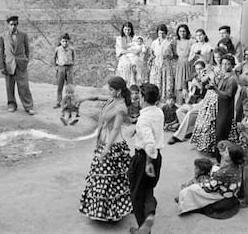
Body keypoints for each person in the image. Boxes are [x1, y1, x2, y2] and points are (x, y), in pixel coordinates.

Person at [79, 76, 132, 221]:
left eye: (111, 89)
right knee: (104, 176)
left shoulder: (120, 108)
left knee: (109, 178)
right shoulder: (112, 99)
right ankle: (102, 210)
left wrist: (106, 150)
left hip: (112, 145)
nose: (108, 91)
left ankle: (110, 212)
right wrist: (83, 99)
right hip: (104, 140)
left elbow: (115, 130)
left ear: (119, 91)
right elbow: (97, 97)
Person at [128, 83, 164, 234]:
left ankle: (143, 228)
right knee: (148, 188)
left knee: (136, 193)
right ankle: (150, 213)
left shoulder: (144, 119)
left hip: (144, 158)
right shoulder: (158, 112)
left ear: (142, 97)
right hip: (157, 158)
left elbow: (149, 143)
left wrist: (148, 162)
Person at [177, 142, 243, 215]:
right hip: (230, 192)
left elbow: (210, 188)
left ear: (232, 157)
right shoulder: (236, 166)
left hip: (222, 194)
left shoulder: (223, 173)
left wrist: (200, 184)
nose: (223, 153)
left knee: (191, 189)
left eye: (226, 152)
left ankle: (186, 204)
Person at [190, 47, 227, 154]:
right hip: (210, 95)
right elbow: (202, 80)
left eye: (219, 57)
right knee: (206, 119)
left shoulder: (226, 69)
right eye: (215, 57)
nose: (217, 59)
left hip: (220, 95)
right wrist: (207, 73)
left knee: (217, 121)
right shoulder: (212, 68)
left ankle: (217, 147)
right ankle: (205, 144)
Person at [0, 16, 34, 115]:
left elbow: (27, 50)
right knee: (9, 86)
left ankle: (28, 106)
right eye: (11, 24)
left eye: (15, 24)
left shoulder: (23, 35)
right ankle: (11, 104)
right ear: (8, 25)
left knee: (24, 86)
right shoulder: (2, 36)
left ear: (17, 24)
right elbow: (0, 52)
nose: (13, 26)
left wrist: (25, 60)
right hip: (9, 64)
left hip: (21, 64)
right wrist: (2, 66)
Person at [206, 54, 239, 161]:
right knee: (218, 134)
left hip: (226, 109)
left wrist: (215, 89)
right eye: (223, 64)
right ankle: (218, 158)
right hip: (220, 108)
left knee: (221, 134)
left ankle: (221, 160)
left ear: (232, 65)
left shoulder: (232, 79)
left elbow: (227, 95)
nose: (225, 66)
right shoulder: (224, 75)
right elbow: (217, 86)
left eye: (228, 64)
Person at [168, 60, 209, 145]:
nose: (199, 71)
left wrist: (200, 86)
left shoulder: (207, 78)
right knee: (179, 111)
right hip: (192, 101)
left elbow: (205, 93)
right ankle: (189, 132)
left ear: (204, 69)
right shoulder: (194, 76)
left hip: (201, 102)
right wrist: (184, 89)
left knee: (190, 113)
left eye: (200, 69)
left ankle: (178, 136)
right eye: (197, 69)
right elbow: (185, 81)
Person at [149, 24, 174, 102]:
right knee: (156, 81)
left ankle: (165, 99)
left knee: (166, 82)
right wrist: (152, 57)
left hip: (166, 64)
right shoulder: (154, 43)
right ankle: (156, 98)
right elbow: (152, 53)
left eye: (163, 33)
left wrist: (167, 55)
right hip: (156, 64)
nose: (161, 35)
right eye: (160, 33)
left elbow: (172, 55)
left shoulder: (169, 43)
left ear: (165, 33)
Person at [115, 21, 142, 86]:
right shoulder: (119, 39)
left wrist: (132, 51)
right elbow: (120, 51)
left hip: (134, 56)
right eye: (125, 29)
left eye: (128, 29)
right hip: (124, 56)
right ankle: (125, 85)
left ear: (131, 30)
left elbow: (138, 48)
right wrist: (130, 51)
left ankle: (134, 85)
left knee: (134, 65)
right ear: (123, 29)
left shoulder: (135, 38)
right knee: (126, 64)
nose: (127, 31)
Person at [53, 33, 75, 109]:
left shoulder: (71, 49)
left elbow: (74, 58)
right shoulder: (58, 49)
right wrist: (57, 67)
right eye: (63, 41)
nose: (65, 43)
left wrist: (71, 66)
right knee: (60, 86)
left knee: (70, 87)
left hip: (69, 68)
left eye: (66, 41)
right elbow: (54, 58)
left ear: (69, 41)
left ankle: (70, 103)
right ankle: (58, 102)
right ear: (60, 41)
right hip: (61, 68)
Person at [174, 24, 193, 101]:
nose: (182, 33)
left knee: (187, 82)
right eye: (180, 31)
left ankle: (187, 101)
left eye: (184, 31)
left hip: (188, 64)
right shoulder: (175, 42)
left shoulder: (190, 42)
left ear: (187, 32)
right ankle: (179, 101)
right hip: (179, 64)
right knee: (179, 84)